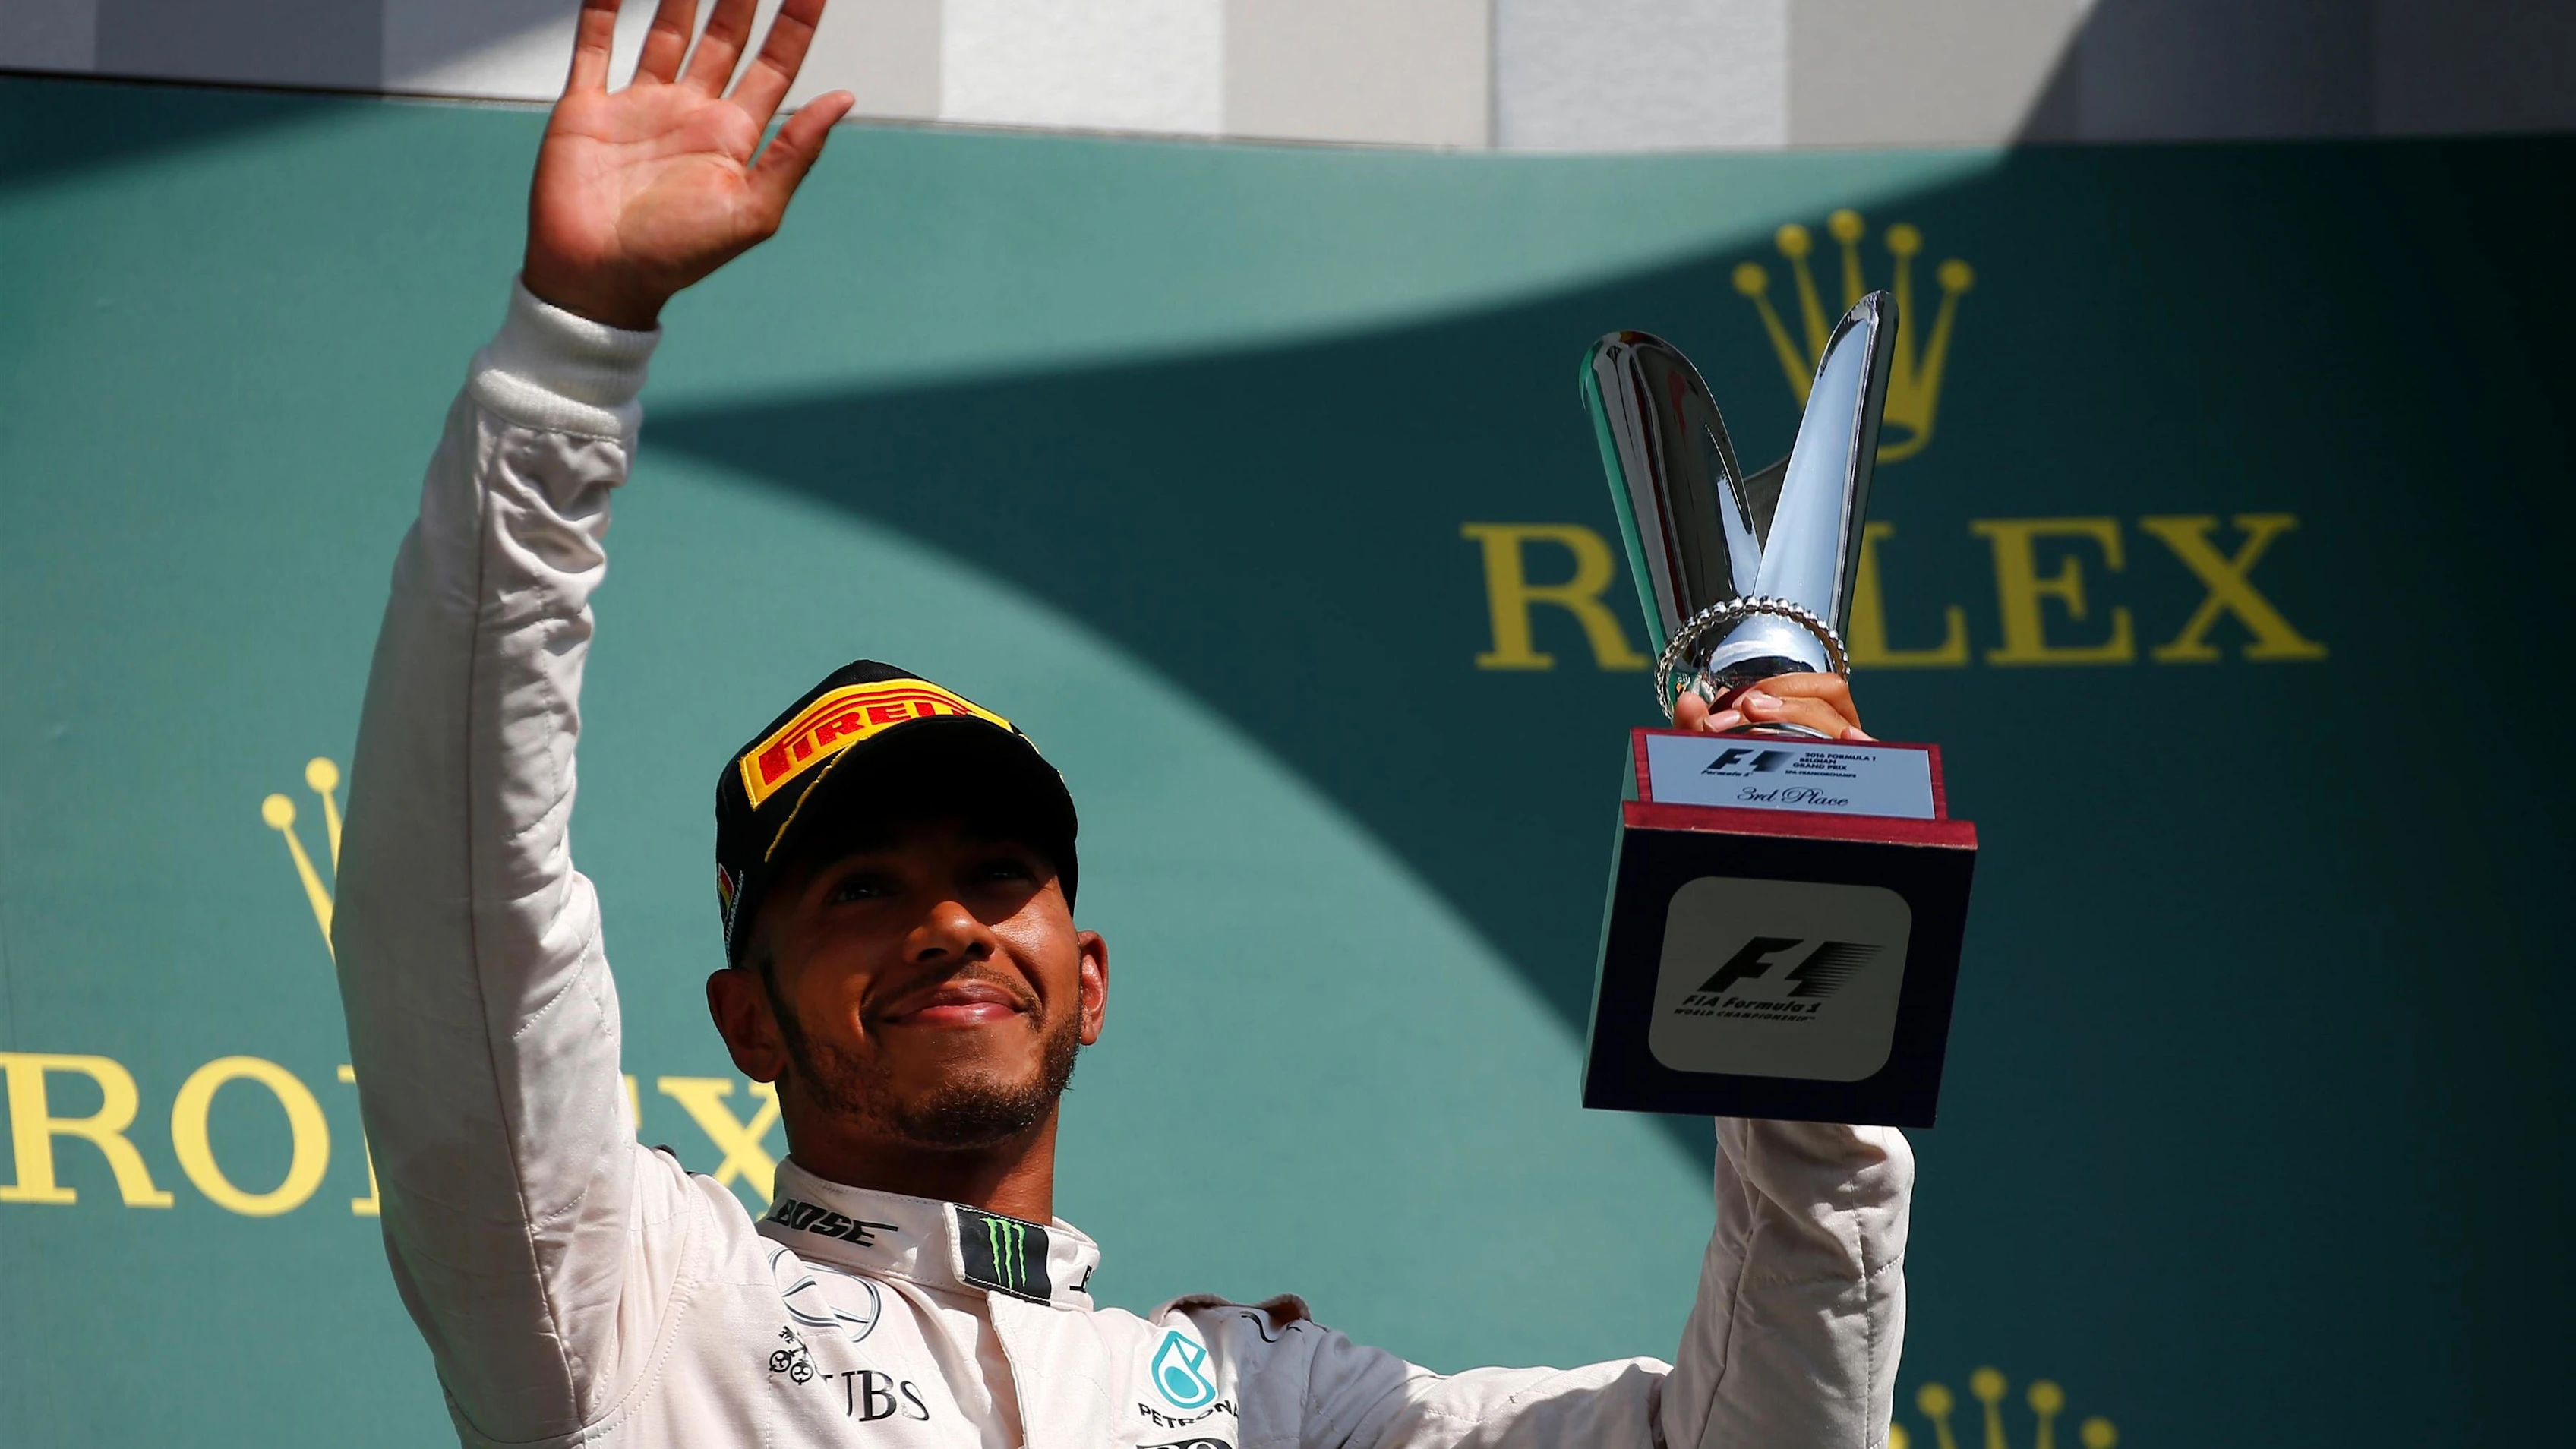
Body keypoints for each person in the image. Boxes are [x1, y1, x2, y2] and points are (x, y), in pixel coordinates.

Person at [333, 0, 1913, 1443]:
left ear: (1088, 985)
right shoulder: (639, 1306)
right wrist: (567, 355)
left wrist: (1802, 926)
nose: (951, 922)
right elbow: (463, 910)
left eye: (1001, 875)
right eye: (862, 889)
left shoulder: (1260, 1402)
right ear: (746, 1022)